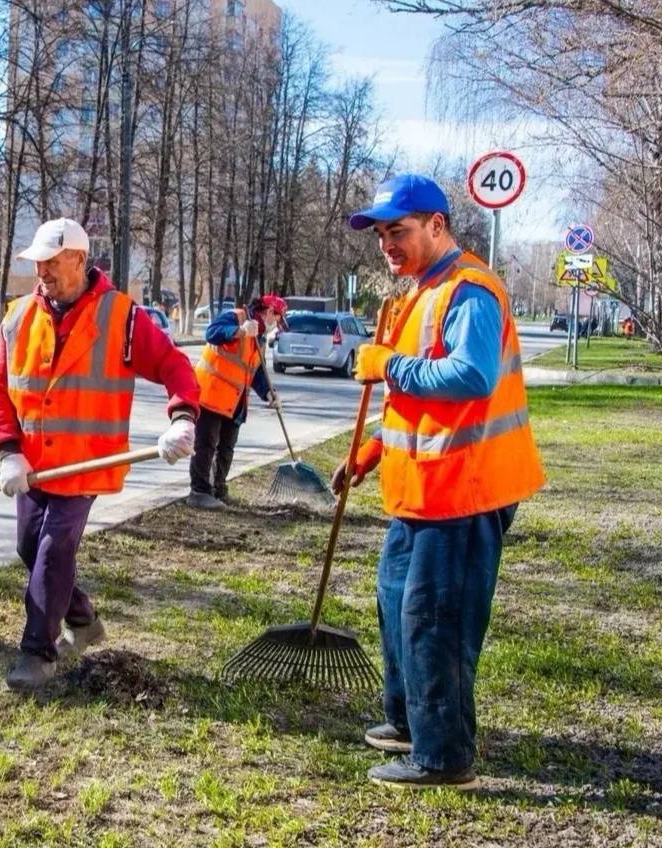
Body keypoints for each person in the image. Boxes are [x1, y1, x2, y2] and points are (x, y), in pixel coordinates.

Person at [332, 174, 546, 790]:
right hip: (422, 489)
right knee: (397, 602)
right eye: (381, 235)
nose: (387, 245)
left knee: (435, 621)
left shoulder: (469, 290)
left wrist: (386, 364)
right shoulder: (424, 291)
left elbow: (471, 377)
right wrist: (372, 450)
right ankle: (409, 722)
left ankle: (444, 755)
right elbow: (418, 407)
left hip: (463, 492)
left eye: (398, 231)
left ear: (437, 225)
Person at [0, 218, 200, 691]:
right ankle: (83, 620)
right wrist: (8, 451)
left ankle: (37, 652)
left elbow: (174, 365)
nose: (42, 272)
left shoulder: (121, 317)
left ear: (80, 259)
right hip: (34, 465)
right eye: (37, 263)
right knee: (29, 547)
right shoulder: (18, 317)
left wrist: (182, 417)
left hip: (86, 464)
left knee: (52, 550)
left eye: (51, 262)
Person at [188, 294, 287, 509]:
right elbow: (212, 333)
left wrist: (268, 393)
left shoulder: (259, 339)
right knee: (206, 445)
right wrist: (240, 331)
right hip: (211, 395)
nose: (276, 326)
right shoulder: (236, 317)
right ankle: (199, 492)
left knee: (226, 448)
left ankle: (218, 489)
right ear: (270, 312)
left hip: (235, 402)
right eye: (278, 320)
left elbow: (255, 371)